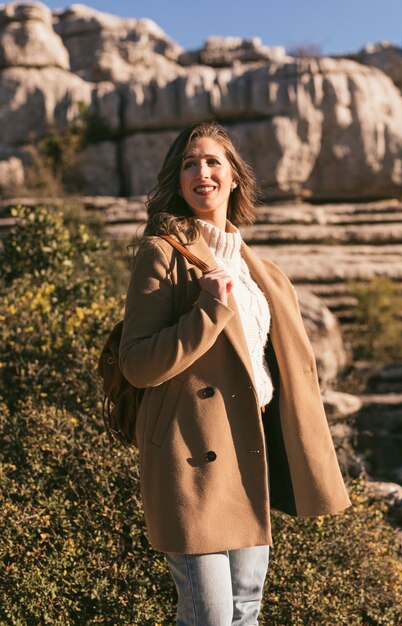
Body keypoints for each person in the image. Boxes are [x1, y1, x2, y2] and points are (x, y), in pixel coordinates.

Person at [119, 121, 352, 625]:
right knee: (210, 617)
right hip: (190, 458)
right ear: (176, 180)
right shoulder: (162, 253)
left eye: (212, 162)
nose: (201, 172)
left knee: (246, 610)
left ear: (234, 178)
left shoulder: (259, 270)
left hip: (250, 453)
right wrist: (209, 307)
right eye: (188, 164)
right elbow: (137, 364)